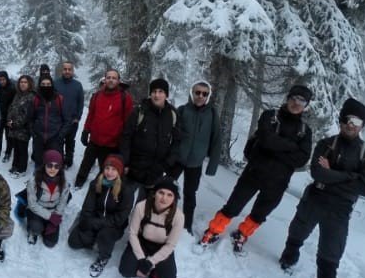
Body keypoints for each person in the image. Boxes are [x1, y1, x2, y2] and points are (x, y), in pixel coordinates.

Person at [279, 98, 365, 278]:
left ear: (362, 124)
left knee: (330, 255)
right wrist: (350, 176)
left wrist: (333, 173)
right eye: (347, 119)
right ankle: (289, 256)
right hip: (315, 197)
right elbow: (318, 173)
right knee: (297, 230)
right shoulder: (326, 144)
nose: (350, 125)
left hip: (340, 208)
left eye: (356, 121)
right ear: (340, 120)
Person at [200, 84, 313, 251]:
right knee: (233, 206)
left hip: (278, 182)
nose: (296, 103)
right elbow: (266, 139)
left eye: (302, 101)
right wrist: (290, 147)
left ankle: (242, 234)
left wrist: (275, 147)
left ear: (306, 106)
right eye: (294, 98)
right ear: (288, 98)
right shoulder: (270, 116)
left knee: (260, 214)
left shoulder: (305, 131)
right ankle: (214, 230)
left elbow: (301, 159)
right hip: (254, 173)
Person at [119, 78, 179, 211]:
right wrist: (125, 162)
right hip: (134, 168)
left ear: (166, 95)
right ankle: (117, 226)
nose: (156, 95)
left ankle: (137, 228)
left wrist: (166, 165)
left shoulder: (172, 115)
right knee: (123, 202)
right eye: (154, 91)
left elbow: (177, 142)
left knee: (144, 207)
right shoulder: (139, 111)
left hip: (155, 172)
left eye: (160, 91)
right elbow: (126, 137)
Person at [170, 79, 221, 234]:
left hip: (195, 163)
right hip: (177, 159)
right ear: (192, 93)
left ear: (208, 96)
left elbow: (216, 139)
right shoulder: (182, 110)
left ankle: (186, 226)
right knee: (167, 188)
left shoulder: (212, 114)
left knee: (190, 194)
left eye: (204, 94)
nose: (200, 96)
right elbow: (171, 133)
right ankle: (163, 218)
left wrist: (212, 166)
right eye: (197, 92)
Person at [67, 153, 129, 275]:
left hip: (112, 226)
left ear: (119, 172)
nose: (109, 172)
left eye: (113, 169)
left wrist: (97, 223)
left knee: (105, 235)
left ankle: (103, 257)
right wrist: (87, 220)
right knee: (73, 242)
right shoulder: (96, 183)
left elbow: (120, 218)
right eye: (107, 168)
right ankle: (94, 239)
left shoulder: (126, 190)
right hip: (95, 218)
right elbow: (87, 207)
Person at [74, 68, 134, 188]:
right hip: (95, 140)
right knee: (86, 163)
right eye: (109, 77)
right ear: (105, 79)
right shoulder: (97, 96)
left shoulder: (125, 98)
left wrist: (124, 141)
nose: (111, 80)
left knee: (106, 168)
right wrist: (86, 130)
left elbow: (128, 121)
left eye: (114, 78)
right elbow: (91, 115)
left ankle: (101, 188)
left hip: (112, 143)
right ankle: (79, 183)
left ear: (118, 80)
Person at [119, 178, 185, 278]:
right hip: (142, 242)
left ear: (174, 199)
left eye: (170, 195)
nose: (164, 198)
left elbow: (170, 245)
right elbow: (133, 233)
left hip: (161, 246)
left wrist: (150, 262)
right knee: (125, 270)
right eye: (161, 192)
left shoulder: (178, 217)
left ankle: (151, 273)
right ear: (154, 194)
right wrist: (141, 259)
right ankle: (141, 269)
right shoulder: (141, 207)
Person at [23, 148, 71, 247]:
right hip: (37, 210)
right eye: (49, 165)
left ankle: (46, 225)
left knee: (50, 242)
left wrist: (56, 216)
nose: (53, 169)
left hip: (53, 211)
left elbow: (63, 202)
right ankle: (32, 230)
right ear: (44, 164)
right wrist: (50, 217)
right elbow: (32, 204)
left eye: (56, 166)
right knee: (37, 228)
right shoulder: (34, 181)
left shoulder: (64, 182)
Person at [54, 60, 85, 168]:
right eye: (65, 69)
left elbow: (81, 103)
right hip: (58, 120)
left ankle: (69, 159)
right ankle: (59, 159)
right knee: (58, 141)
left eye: (69, 69)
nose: (67, 71)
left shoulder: (77, 85)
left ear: (72, 71)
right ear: (62, 70)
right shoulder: (56, 83)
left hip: (72, 120)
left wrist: (78, 117)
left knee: (70, 141)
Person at [31, 74, 67, 164]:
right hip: (39, 137)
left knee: (53, 162)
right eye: (43, 84)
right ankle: (38, 177)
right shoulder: (35, 99)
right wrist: (33, 134)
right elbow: (30, 118)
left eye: (48, 84)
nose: (46, 86)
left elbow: (67, 119)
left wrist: (60, 135)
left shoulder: (59, 99)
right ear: (39, 85)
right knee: (39, 161)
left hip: (54, 137)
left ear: (52, 85)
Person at [5, 74, 35, 175]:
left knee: (22, 149)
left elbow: (27, 115)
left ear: (29, 84)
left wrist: (14, 124)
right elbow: (12, 108)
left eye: (25, 82)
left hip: (24, 129)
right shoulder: (17, 95)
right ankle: (14, 166)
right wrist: (9, 120)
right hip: (13, 128)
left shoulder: (31, 97)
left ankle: (21, 169)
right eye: (21, 82)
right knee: (16, 148)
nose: (23, 84)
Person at [0, 71, 16, 159]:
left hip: (9, 116)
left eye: (3, 79)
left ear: (7, 79)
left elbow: (14, 103)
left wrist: (12, 116)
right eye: (0, 79)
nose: (2, 81)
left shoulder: (12, 88)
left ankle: (8, 152)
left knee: (8, 136)